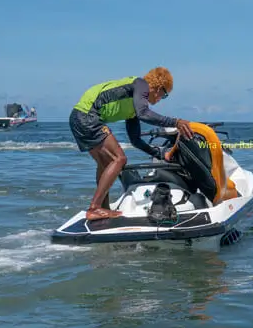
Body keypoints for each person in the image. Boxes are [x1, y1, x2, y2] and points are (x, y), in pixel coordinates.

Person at [69, 67, 193, 221]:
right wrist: (176, 122)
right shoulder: (141, 84)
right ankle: (94, 208)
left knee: (106, 163)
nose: (161, 99)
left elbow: (135, 140)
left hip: (78, 118)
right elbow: (144, 114)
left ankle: (102, 208)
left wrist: (161, 154)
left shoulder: (134, 106)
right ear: (158, 88)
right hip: (88, 116)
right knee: (119, 159)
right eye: (164, 95)